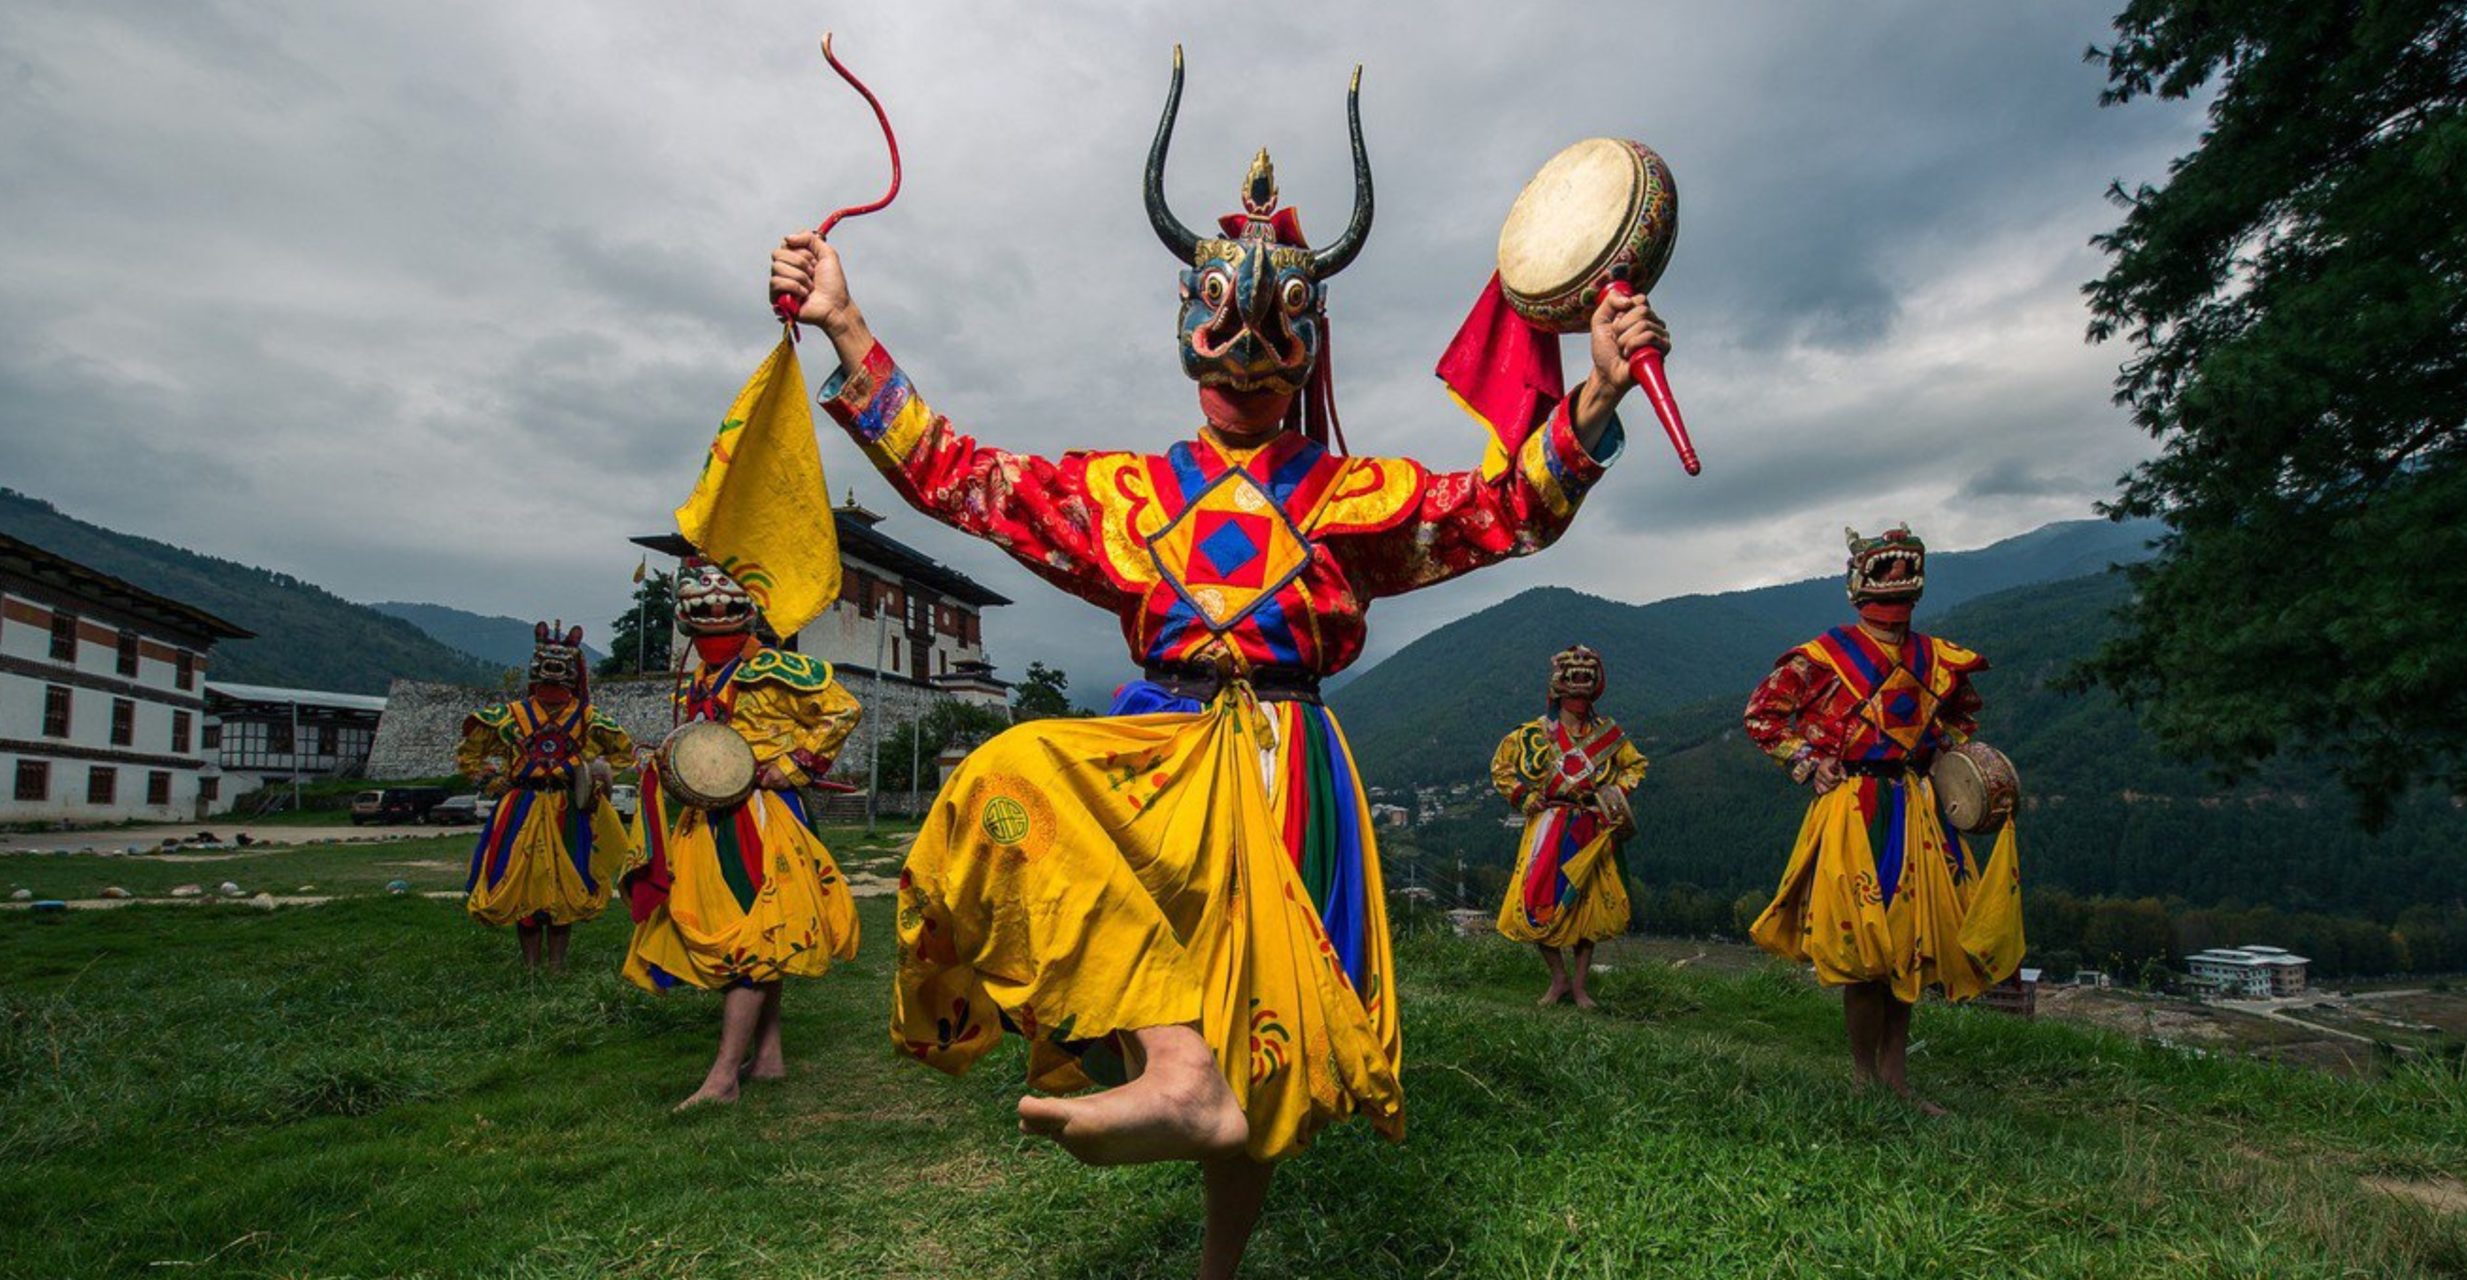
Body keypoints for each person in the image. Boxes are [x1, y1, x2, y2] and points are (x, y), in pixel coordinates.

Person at [769, 54, 1667, 1280]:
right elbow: (961, 477)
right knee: (1008, 778)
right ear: (1187, 328)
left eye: (1274, 327)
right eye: (1221, 322)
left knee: (1261, 1031)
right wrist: (844, 324)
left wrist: (1600, 389)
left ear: (1308, 343)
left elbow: (1504, 507)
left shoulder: (1352, 494)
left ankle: (1216, 1250)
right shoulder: (1126, 493)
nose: (1245, 351)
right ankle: (1173, 1065)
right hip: (1160, 750)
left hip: (1284, 767)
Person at [1743, 524, 2020, 1113]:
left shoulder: (1935, 658)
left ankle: (1895, 1079)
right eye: (1885, 573)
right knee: (1865, 948)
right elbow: (1763, 715)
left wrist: (1945, 756)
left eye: (1905, 574)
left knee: (1907, 943)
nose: (1896, 586)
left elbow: (1960, 717)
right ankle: (1864, 1078)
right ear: (1859, 585)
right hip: (1855, 806)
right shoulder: (1822, 658)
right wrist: (1807, 762)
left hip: (1916, 805)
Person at [620, 558, 864, 1109]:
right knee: (761, 934)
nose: (713, 613)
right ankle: (769, 1056)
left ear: (747, 612)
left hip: (759, 815)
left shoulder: (774, 667)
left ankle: (724, 1077)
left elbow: (842, 710)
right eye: (701, 608)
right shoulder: (702, 675)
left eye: (723, 605)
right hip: (710, 816)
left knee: (750, 935)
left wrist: (794, 766)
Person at [455, 621, 635, 970]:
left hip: (567, 807)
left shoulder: (587, 717)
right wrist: (492, 780)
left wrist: (595, 778)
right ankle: (531, 966)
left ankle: (556, 965)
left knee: (564, 883)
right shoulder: (509, 715)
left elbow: (623, 752)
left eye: (562, 664)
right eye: (546, 663)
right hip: (521, 805)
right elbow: (469, 754)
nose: (553, 670)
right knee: (523, 881)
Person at [1491, 645, 1648, 1007]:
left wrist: (1612, 796)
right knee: (1538, 899)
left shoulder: (1608, 735)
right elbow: (1501, 767)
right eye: (1572, 682)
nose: (1579, 693)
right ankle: (1558, 978)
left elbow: (1636, 764)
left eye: (1585, 682)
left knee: (1586, 906)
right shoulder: (1534, 733)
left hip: (1590, 825)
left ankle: (1579, 985)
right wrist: (1523, 797)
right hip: (1549, 825)